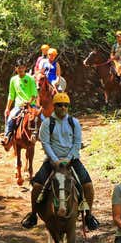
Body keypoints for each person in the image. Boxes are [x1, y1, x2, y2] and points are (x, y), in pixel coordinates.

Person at [21, 92, 100, 231]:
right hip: (52, 160)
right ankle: (33, 215)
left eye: (65, 105)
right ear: (54, 106)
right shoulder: (47, 124)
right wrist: (56, 161)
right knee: (38, 185)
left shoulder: (74, 123)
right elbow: (45, 144)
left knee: (88, 186)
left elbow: (77, 143)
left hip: (72, 160)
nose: (63, 108)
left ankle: (88, 216)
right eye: (59, 105)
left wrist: (68, 159)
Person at [1, 59, 38, 147]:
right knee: (11, 118)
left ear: (25, 68)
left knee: (41, 118)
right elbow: (11, 95)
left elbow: (34, 94)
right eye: (19, 68)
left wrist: (28, 102)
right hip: (18, 105)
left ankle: (47, 138)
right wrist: (7, 108)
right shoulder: (13, 80)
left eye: (22, 68)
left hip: (31, 104)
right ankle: (7, 137)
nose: (21, 70)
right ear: (16, 69)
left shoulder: (30, 79)